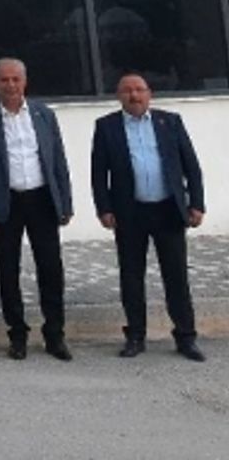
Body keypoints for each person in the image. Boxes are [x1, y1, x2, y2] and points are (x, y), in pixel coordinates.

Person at [91, 71, 207, 361]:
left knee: (176, 276)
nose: (134, 95)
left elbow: (191, 166)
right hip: (129, 212)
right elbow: (98, 173)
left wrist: (197, 204)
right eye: (127, 91)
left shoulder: (170, 122)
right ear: (119, 96)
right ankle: (135, 336)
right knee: (131, 276)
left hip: (168, 210)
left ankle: (186, 337)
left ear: (149, 93)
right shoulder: (106, 127)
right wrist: (104, 208)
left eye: (139, 90)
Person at [0, 58, 73, 361]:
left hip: (42, 199)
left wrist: (65, 202)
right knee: (8, 270)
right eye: (4, 80)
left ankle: (55, 334)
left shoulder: (43, 114)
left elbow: (58, 161)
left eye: (15, 79)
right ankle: (17, 334)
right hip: (5, 202)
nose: (10, 85)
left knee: (51, 269)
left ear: (25, 81)